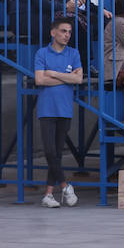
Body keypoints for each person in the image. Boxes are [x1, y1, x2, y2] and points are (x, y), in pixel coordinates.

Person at [35, 15, 83, 208]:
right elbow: (39, 80)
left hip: (64, 108)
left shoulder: (73, 53)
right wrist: (66, 77)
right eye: (63, 31)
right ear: (53, 32)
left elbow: (78, 79)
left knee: (56, 153)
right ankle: (65, 186)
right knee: (49, 151)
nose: (67, 35)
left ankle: (48, 194)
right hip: (47, 108)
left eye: (69, 32)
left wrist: (53, 73)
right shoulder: (41, 53)